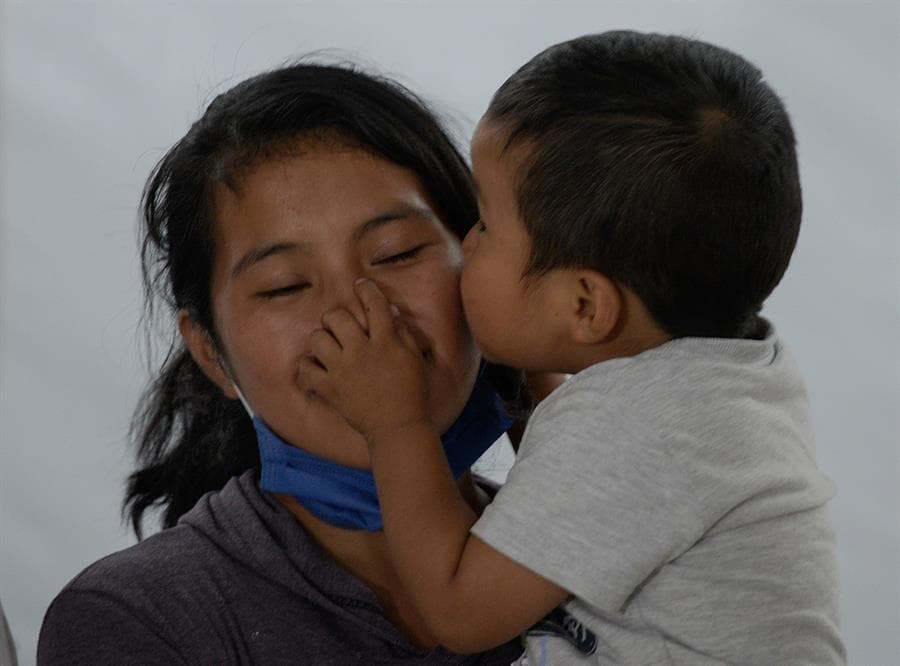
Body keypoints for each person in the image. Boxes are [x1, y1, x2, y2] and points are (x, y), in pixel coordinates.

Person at [302, 31, 846, 665]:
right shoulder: (737, 375)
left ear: (584, 306)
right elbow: (593, 498)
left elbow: (459, 612)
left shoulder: (636, 426)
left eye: (486, 225)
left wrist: (395, 422)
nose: (466, 244)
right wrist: (537, 375)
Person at [37, 62, 536, 664]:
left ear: (480, 265)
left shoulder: (600, 546)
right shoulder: (137, 619)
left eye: (397, 253)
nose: (357, 316)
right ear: (211, 352)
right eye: (285, 286)